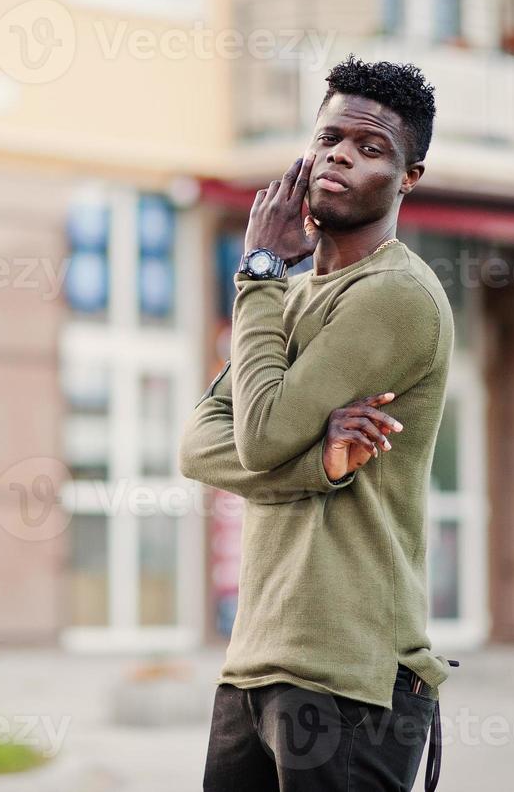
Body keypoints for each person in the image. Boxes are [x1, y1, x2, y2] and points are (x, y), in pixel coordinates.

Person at [179, 56, 456, 791]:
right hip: (255, 661)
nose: (340, 154)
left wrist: (260, 267)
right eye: (330, 136)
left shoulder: (395, 297)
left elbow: (258, 434)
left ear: (408, 179)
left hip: (349, 674)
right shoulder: (288, 298)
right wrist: (316, 468)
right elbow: (199, 445)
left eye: (371, 149)